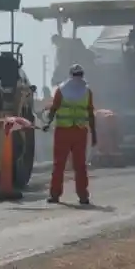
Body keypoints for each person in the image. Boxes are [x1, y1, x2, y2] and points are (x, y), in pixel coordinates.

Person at [44, 63, 97, 205]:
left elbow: (54, 109)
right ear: (82, 75)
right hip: (79, 132)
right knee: (80, 166)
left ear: (70, 75)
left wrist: (47, 123)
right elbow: (90, 114)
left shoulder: (61, 90)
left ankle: (55, 195)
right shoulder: (87, 92)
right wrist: (94, 133)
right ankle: (83, 196)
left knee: (59, 165)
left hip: (63, 131)